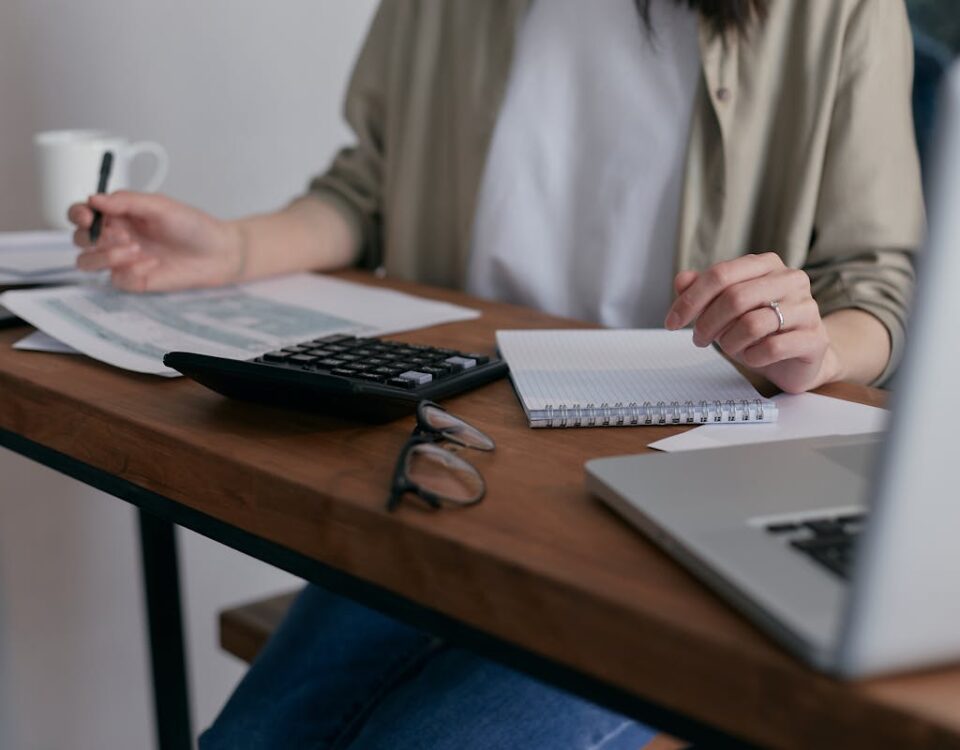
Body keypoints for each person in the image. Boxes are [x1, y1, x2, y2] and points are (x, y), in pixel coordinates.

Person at [68, 0, 923, 747]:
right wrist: (236, 248)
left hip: (678, 495)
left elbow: (877, 285)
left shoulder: (837, 8)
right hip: (449, 459)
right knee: (247, 741)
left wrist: (815, 347)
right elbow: (368, 189)